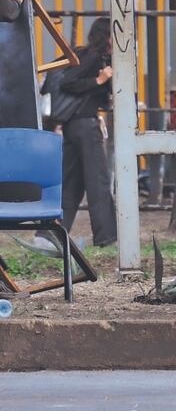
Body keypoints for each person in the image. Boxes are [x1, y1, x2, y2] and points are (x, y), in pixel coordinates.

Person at [55, 17, 117, 246]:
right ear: (107, 36)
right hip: (85, 125)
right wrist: (99, 79)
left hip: (75, 125)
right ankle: (106, 236)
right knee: (98, 181)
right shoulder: (91, 56)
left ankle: (51, 233)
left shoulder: (99, 57)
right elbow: (68, 82)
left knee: (72, 183)